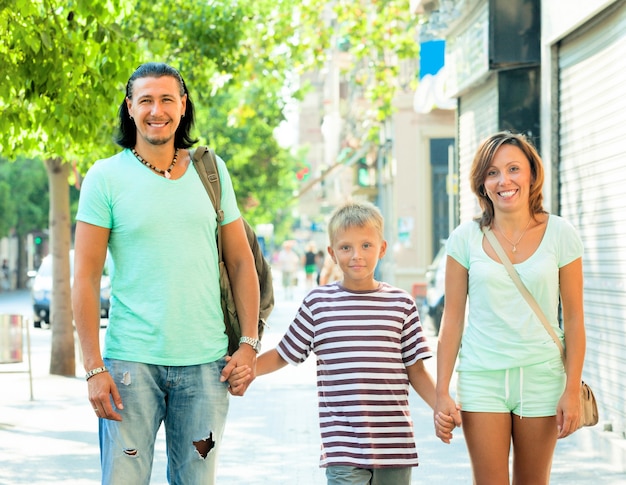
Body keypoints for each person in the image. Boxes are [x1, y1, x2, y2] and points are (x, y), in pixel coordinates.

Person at [72, 62, 260, 485]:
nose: (157, 110)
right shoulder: (105, 177)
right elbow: (84, 277)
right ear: (130, 107)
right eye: (146, 100)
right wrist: (93, 368)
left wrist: (248, 343)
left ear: (182, 105)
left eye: (166, 99)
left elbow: (241, 261)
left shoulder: (211, 172)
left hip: (207, 371)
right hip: (128, 370)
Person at [232, 201, 459, 485]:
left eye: (366, 246)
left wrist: (441, 402)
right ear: (331, 253)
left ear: (382, 248)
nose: (356, 256)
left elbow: (415, 371)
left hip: (395, 446)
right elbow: (283, 353)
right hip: (343, 446)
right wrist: (249, 369)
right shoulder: (318, 304)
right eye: (345, 248)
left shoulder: (401, 304)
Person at [435, 131, 586, 484]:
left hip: (542, 377)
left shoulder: (561, 234)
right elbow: (452, 319)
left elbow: (576, 318)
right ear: (482, 183)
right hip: (482, 378)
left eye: (513, 168)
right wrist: (442, 392)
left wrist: (572, 390)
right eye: (492, 172)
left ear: (531, 174)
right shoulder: (464, 238)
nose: (504, 180)